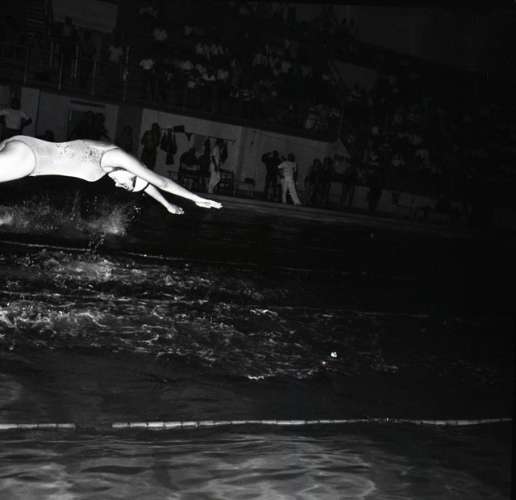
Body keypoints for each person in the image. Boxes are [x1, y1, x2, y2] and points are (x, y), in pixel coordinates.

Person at [0, 135, 222, 215]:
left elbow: (146, 185)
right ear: (132, 172)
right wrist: (195, 198)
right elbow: (161, 181)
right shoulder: (115, 157)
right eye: (126, 185)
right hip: (29, 157)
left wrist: (167, 205)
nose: (118, 186)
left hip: (27, 150)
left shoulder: (114, 167)